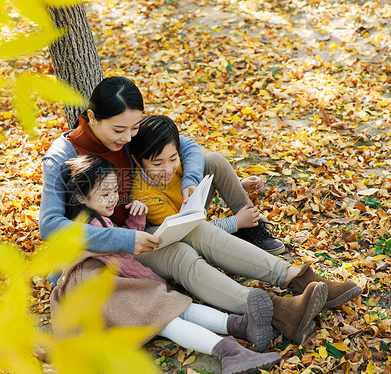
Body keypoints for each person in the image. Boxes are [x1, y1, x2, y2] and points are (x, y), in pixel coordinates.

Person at [39, 77, 361, 345]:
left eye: (134, 128)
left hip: (143, 229)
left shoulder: (128, 137)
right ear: (92, 118)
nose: (127, 138)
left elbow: (189, 146)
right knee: (180, 255)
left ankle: (297, 279)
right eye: (119, 130)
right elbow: (50, 226)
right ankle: (280, 312)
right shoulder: (62, 155)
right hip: (102, 253)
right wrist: (122, 240)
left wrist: (189, 181)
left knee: (198, 229)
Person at [128, 114, 362, 343]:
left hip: (188, 213)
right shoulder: (143, 192)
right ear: (138, 161)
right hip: (160, 237)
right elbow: (187, 227)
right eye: (157, 163)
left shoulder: (170, 157)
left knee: (213, 160)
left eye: (173, 159)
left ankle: (297, 277)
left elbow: (190, 151)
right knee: (188, 245)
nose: (167, 168)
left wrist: (233, 184)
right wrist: (234, 223)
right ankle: (279, 311)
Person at [49, 155, 282, 373]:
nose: (112, 198)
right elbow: (122, 259)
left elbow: (122, 246)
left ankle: (239, 325)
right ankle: (230, 354)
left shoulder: (100, 218)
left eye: (114, 191)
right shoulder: (82, 226)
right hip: (95, 291)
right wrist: (150, 277)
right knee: (162, 315)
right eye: (104, 194)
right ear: (81, 197)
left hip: (109, 282)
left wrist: (136, 219)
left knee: (171, 303)